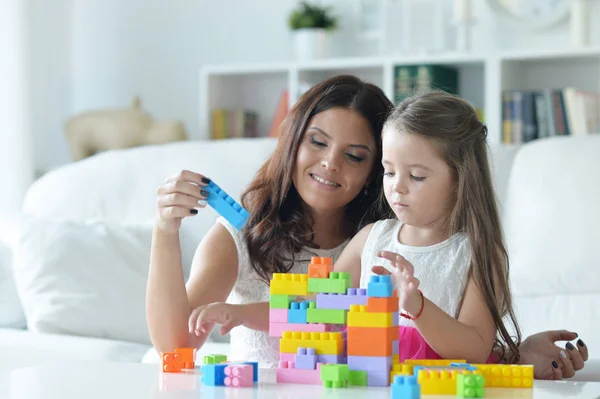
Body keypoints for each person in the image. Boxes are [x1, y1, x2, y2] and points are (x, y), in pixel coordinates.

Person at [146, 75, 588, 377]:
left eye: (356, 156)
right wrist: (169, 238)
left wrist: (512, 357)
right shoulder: (359, 239)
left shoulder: (414, 238)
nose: (329, 164)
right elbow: (315, 310)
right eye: (317, 142)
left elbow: (460, 342)